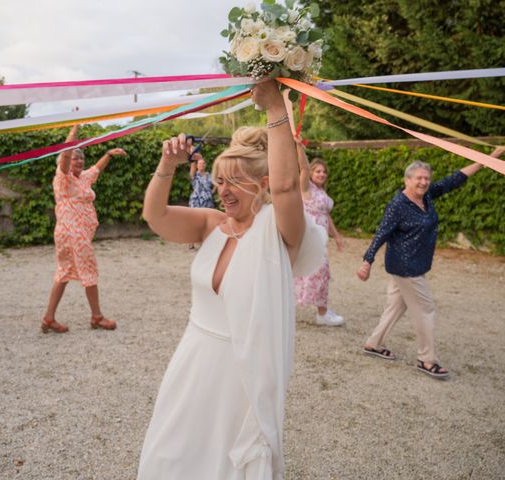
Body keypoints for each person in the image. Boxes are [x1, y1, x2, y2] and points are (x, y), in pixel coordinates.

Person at [138, 80, 326, 479]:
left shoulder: (280, 235)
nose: (223, 190)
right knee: (173, 453)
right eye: (220, 180)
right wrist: (167, 166)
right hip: (193, 361)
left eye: (234, 181)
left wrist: (277, 110)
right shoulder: (211, 225)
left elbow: (288, 185)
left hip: (242, 374)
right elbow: (155, 217)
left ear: (261, 186)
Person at [357, 146, 504, 379]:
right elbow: (382, 232)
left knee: (396, 306)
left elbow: (455, 179)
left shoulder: (426, 196)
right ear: (407, 180)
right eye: (419, 178)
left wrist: (489, 159)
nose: (424, 182)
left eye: (426, 178)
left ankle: (374, 343)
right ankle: (426, 359)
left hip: (415, 264)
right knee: (425, 309)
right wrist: (367, 260)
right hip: (405, 267)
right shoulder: (398, 205)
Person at [41, 124, 127, 333]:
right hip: (73, 234)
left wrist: (108, 154)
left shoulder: (83, 178)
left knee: (64, 272)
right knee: (88, 270)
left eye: (81, 158)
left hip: (75, 233)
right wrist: (73, 132)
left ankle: (49, 318)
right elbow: (65, 155)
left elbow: (96, 169)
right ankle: (97, 316)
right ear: (67, 162)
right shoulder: (63, 178)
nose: (78, 161)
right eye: (75, 158)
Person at [294, 138, 345, 326]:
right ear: (312, 173)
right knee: (316, 271)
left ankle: (321, 311)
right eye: (318, 171)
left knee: (315, 272)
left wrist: (337, 236)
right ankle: (322, 313)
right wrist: (299, 147)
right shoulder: (306, 189)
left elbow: (327, 216)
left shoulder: (322, 193)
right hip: (309, 236)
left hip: (321, 238)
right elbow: (304, 169)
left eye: (324, 171)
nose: (321, 174)